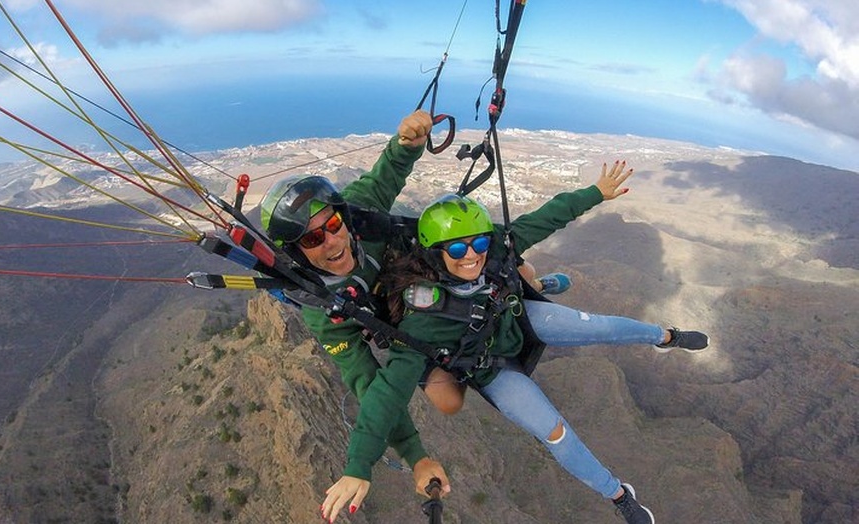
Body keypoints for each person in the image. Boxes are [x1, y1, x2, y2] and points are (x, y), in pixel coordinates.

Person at [321, 161, 709, 524]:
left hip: (516, 319)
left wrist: (595, 192)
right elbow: (385, 396)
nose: (471, 254)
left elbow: (544, 219)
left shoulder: (494, 250)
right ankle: (618, 494)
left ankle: (665, 336)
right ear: (434, 253)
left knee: (599, 326)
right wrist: (358, 465)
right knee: (553, 431)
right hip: (489, 367)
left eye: (478, 243)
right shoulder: (423, 319)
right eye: (456, 248)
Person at [259, 109, 450, 502]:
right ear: (296, 253)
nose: (332, 241)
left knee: (522, 269)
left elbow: (385, 176)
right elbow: (367, 381)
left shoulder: (358, 215)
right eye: (313, 240)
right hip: (409, 317)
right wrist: (416, 457)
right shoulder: (323, 310)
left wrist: (407, 145)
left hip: (427, 273)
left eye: (332, 226)